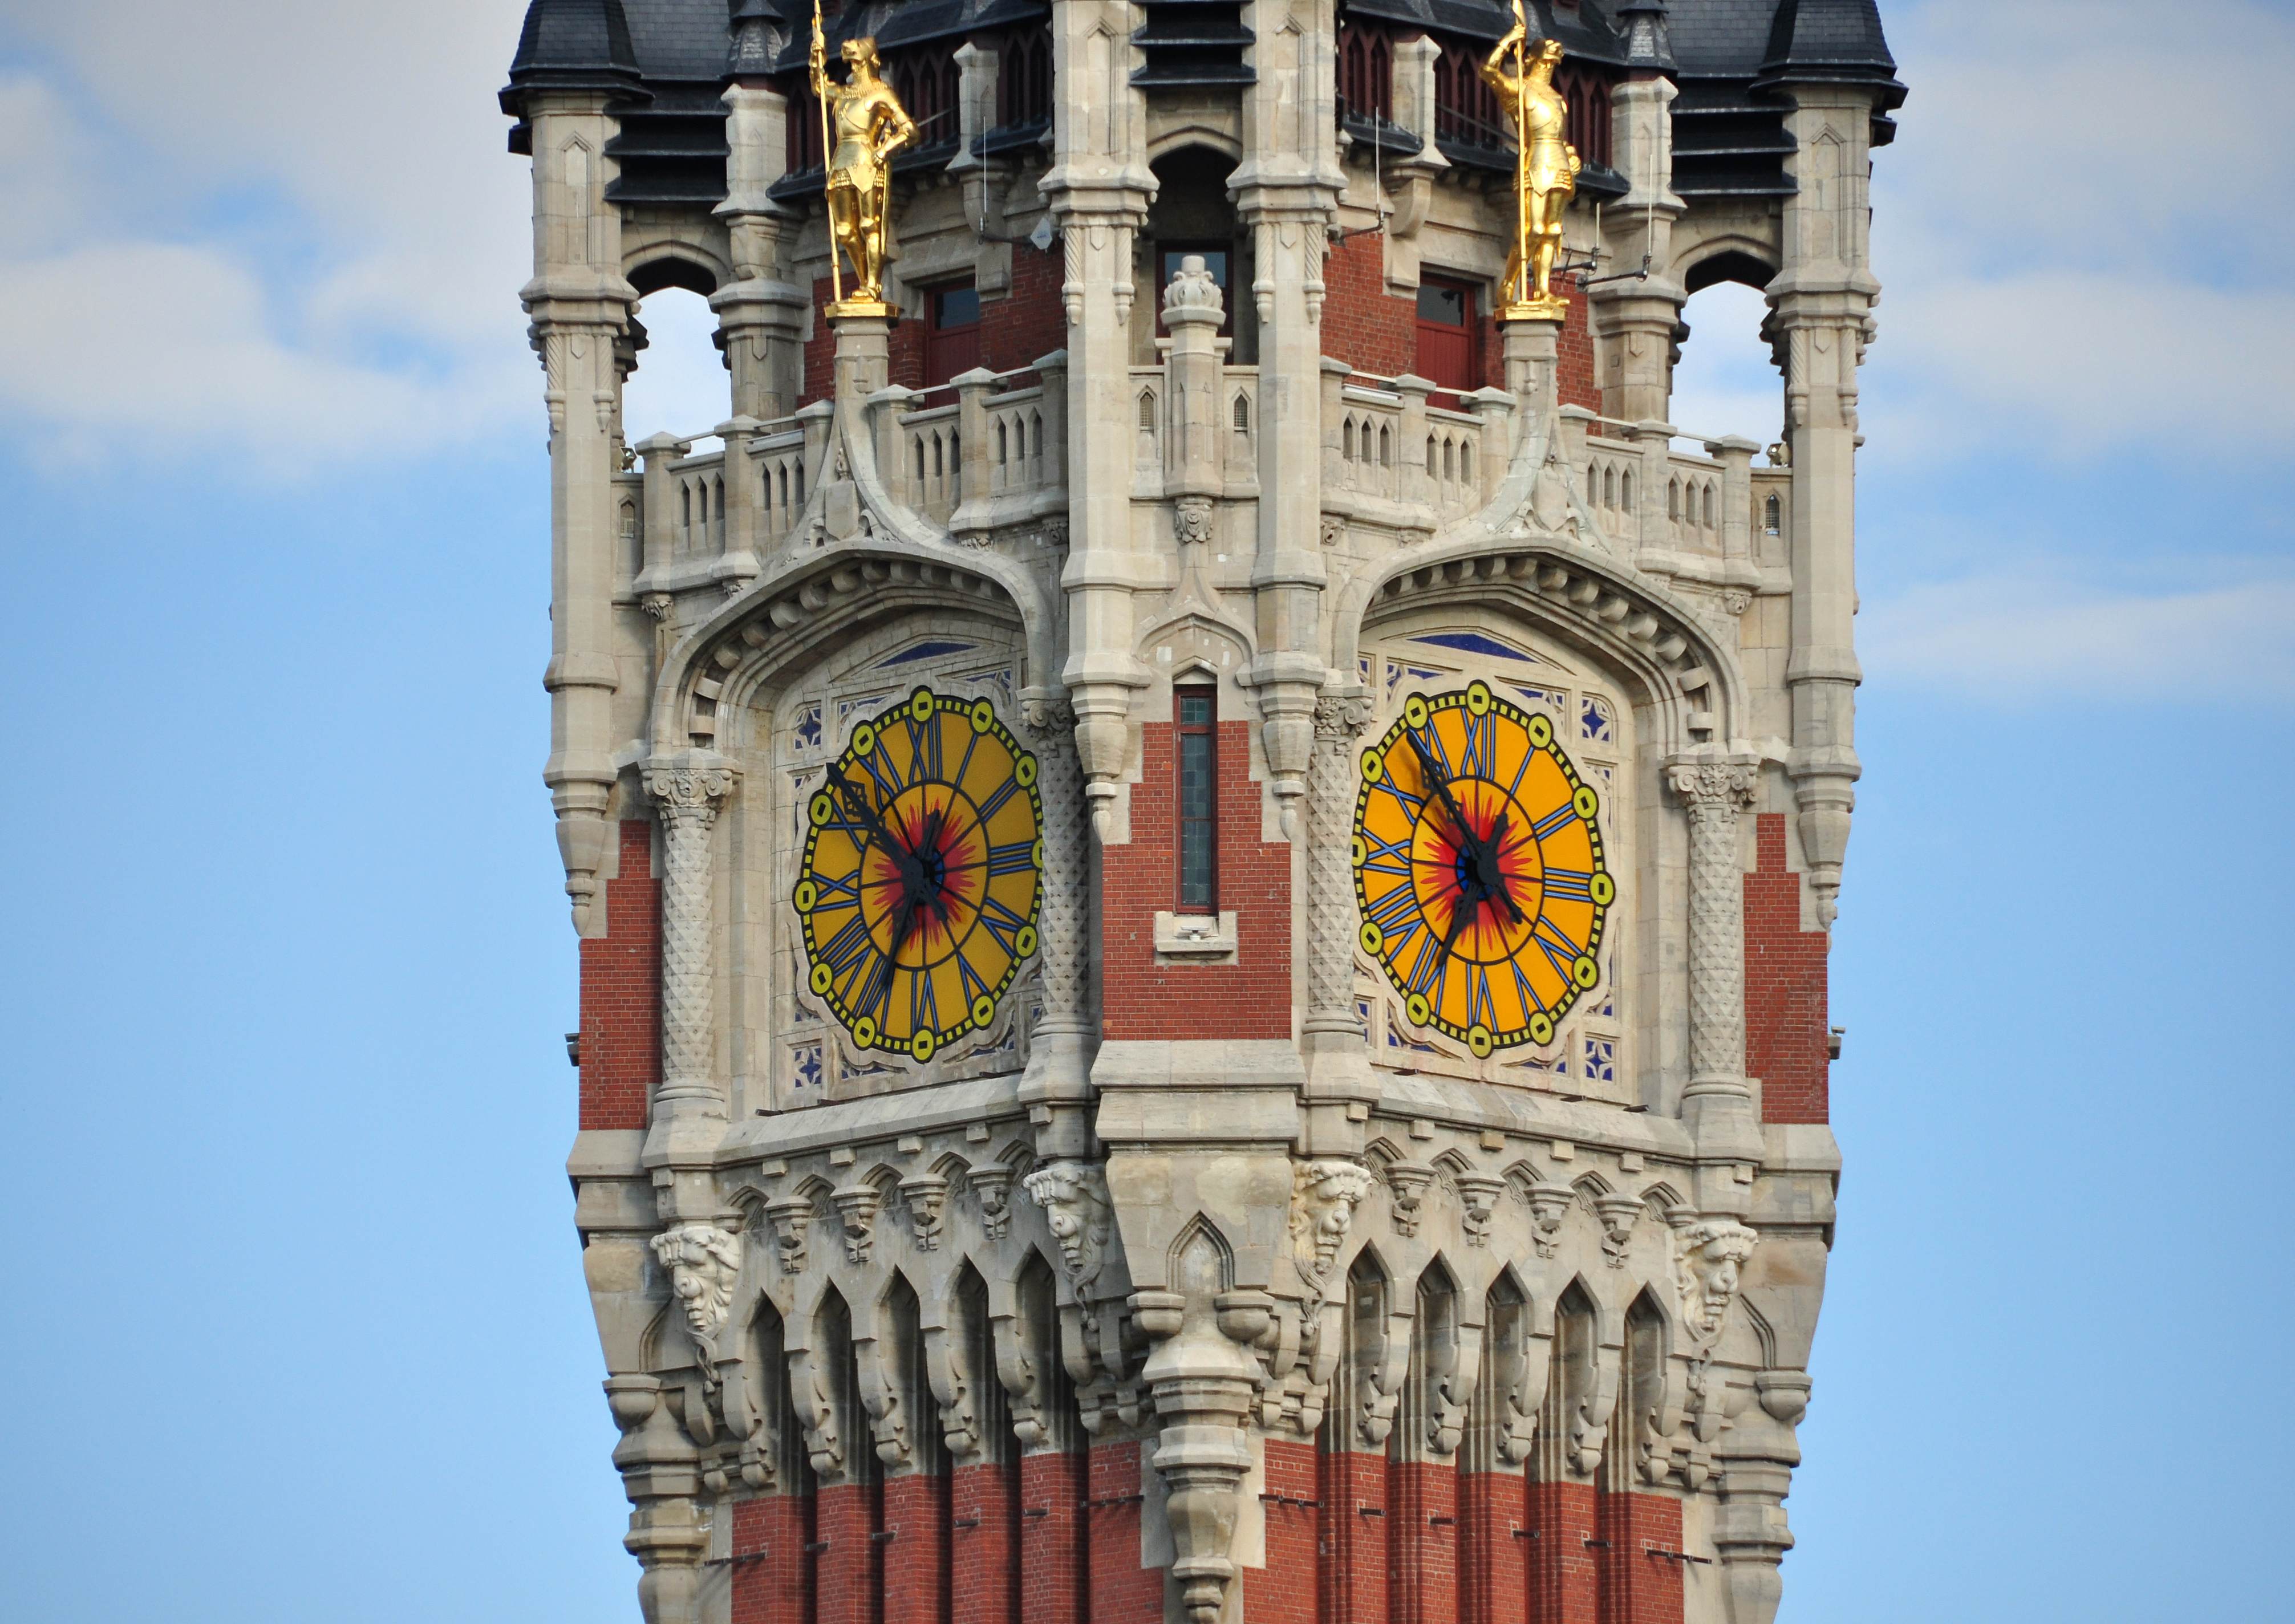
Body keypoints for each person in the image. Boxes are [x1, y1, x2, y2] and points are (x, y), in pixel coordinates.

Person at [811, 30, 917, 310]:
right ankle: (863, 281)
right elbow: (820, 88)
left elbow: (909, 130)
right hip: (841, 161)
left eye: (857, 53)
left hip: (868, 162)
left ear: (870, 58)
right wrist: (816, 56)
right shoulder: (844, 93)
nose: (852, 60)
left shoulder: (881, 93)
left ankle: (871, 285)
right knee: (845, 231)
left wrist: (883, 151)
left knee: (870, 225)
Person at [1481, 23, 1580, 314]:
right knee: (1532, 229)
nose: (1552, 64)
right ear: (1535, 59)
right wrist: (1508, 40)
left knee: (1553, 230)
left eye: (1555, 61)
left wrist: (1573, 157)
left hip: (1559, 161)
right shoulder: (1520, 88)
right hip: (1535, 160)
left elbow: (1560, 137)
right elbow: (1488, 72)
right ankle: (1508, 285)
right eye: (1548, 58)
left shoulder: (1558, 99)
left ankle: (1544, 290)